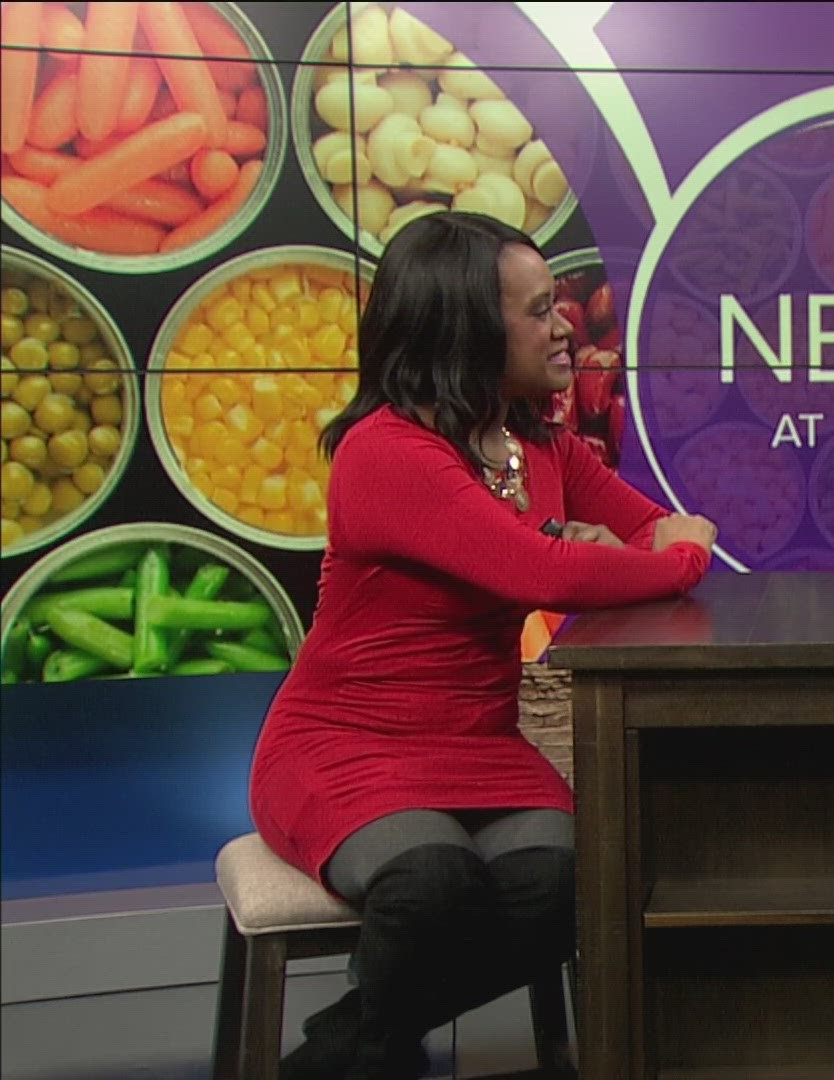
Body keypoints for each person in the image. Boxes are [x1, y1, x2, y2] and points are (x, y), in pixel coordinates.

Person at [249, 212, 718, 1079]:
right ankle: (370, 1058)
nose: (565, 323)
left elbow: (644, 526)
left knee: (573, 882)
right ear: (466, 327)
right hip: (345, 746)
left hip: (478, 748)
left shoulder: (541, 446)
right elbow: (547, 570)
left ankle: (342, 1052)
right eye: (539, 310)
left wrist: (657, 546)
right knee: (431, 885)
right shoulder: (383, 452)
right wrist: (679, 557)